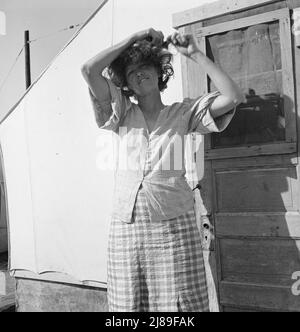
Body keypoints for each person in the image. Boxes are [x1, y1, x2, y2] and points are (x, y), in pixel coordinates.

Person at [81, 28, 244, 312]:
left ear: (160, 73)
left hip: (173, 224)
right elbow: (88, 69)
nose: (139, 74)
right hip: (127, 225)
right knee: (130, 300)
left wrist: (194, 53)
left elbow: (232, 97)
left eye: (145, 67)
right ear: (126, 84)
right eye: (131, 72)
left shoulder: (183, 113)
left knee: (180, 301)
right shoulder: (121, 112)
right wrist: (133, 38)